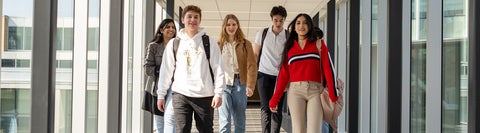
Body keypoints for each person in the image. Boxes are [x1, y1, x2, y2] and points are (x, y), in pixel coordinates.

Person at [156, 5, 225, 133]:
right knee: (181, 130)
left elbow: (219, 69)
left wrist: (218, 93)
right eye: (189, 17)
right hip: (181, 94)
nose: (192, 20)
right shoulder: (174, 43)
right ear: (183, 19)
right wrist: (161, 95)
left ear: (200, 20)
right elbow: (166, 71)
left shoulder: (209, 42)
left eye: (196, 17)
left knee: (206, 130)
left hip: (204, 95)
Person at [268, 13, 323, 133]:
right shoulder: (289, 48)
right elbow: (283, 75)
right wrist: (275, 98)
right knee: (298, 130)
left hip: (315, 91)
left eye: (305, 23)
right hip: (295, 91)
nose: (301, 25)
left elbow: (329, 69)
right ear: (294, 27)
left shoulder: (319, 45)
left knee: (314, 130)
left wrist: (333, 93)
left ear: (310, 26)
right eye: (298, 23)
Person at [217, 14, 257, 133]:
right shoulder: (219, 45)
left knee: (239, 121)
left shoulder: (246, 44)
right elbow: (214, 67)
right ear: (224, 26)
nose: (231, 27)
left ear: (238, 26)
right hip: (223, 85)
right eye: (228, 24)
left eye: (234, 24)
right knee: (224, 122)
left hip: (240, 84)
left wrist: (250, 85)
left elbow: (251, 65)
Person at [253, 5, 288, 133]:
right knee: (265, 108)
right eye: (275, 20)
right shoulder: (262, 33)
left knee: (277, 109)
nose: (278, 23)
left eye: (281, 20)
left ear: (284, 20)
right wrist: (252, 76)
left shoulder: (288, 36)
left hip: (281, 77)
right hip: (264, 74)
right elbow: (255, 55)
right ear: (271, 19)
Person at [145, 18, 176, 133]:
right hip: (157, 89)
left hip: (175, 88)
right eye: (168, 27)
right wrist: (163, 71)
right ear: (161, 30)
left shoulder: (178, 45)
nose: (171, 29)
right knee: (160, 125)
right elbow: (147, 69)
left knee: (172, 121)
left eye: (173, 27)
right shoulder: (153, 46)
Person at [314, 26, 330, 133]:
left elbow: (329, 72)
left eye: (319, 39)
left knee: (323, 120)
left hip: (321, 91)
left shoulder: (323, 52)